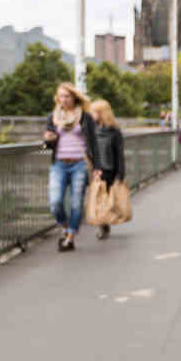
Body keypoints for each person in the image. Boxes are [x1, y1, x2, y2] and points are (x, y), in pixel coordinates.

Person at [43, 82, 97, 252]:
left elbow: (94, 143)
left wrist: (98, 166)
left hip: (79, 164)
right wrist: (48, 139)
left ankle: (71, 237)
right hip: (59, 163)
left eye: (67, 96)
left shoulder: (85, 117)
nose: (64, 99)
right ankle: (65, 227)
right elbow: (49, 142)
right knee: (55, 202)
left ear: (74, 97)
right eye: (61, 96)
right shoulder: (53, 117)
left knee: (76, 203)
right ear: (57, 98)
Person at [89, 99, 126, 241]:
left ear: (101, 113)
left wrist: (121, 174)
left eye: (93, 112)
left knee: (106, 200)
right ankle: (103, 225)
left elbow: (119, 153)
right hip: (96, 169)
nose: (91, 115)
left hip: (110, 169)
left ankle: (105, 224)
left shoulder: (114, 131)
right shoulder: (90, 130)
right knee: (99, 199)